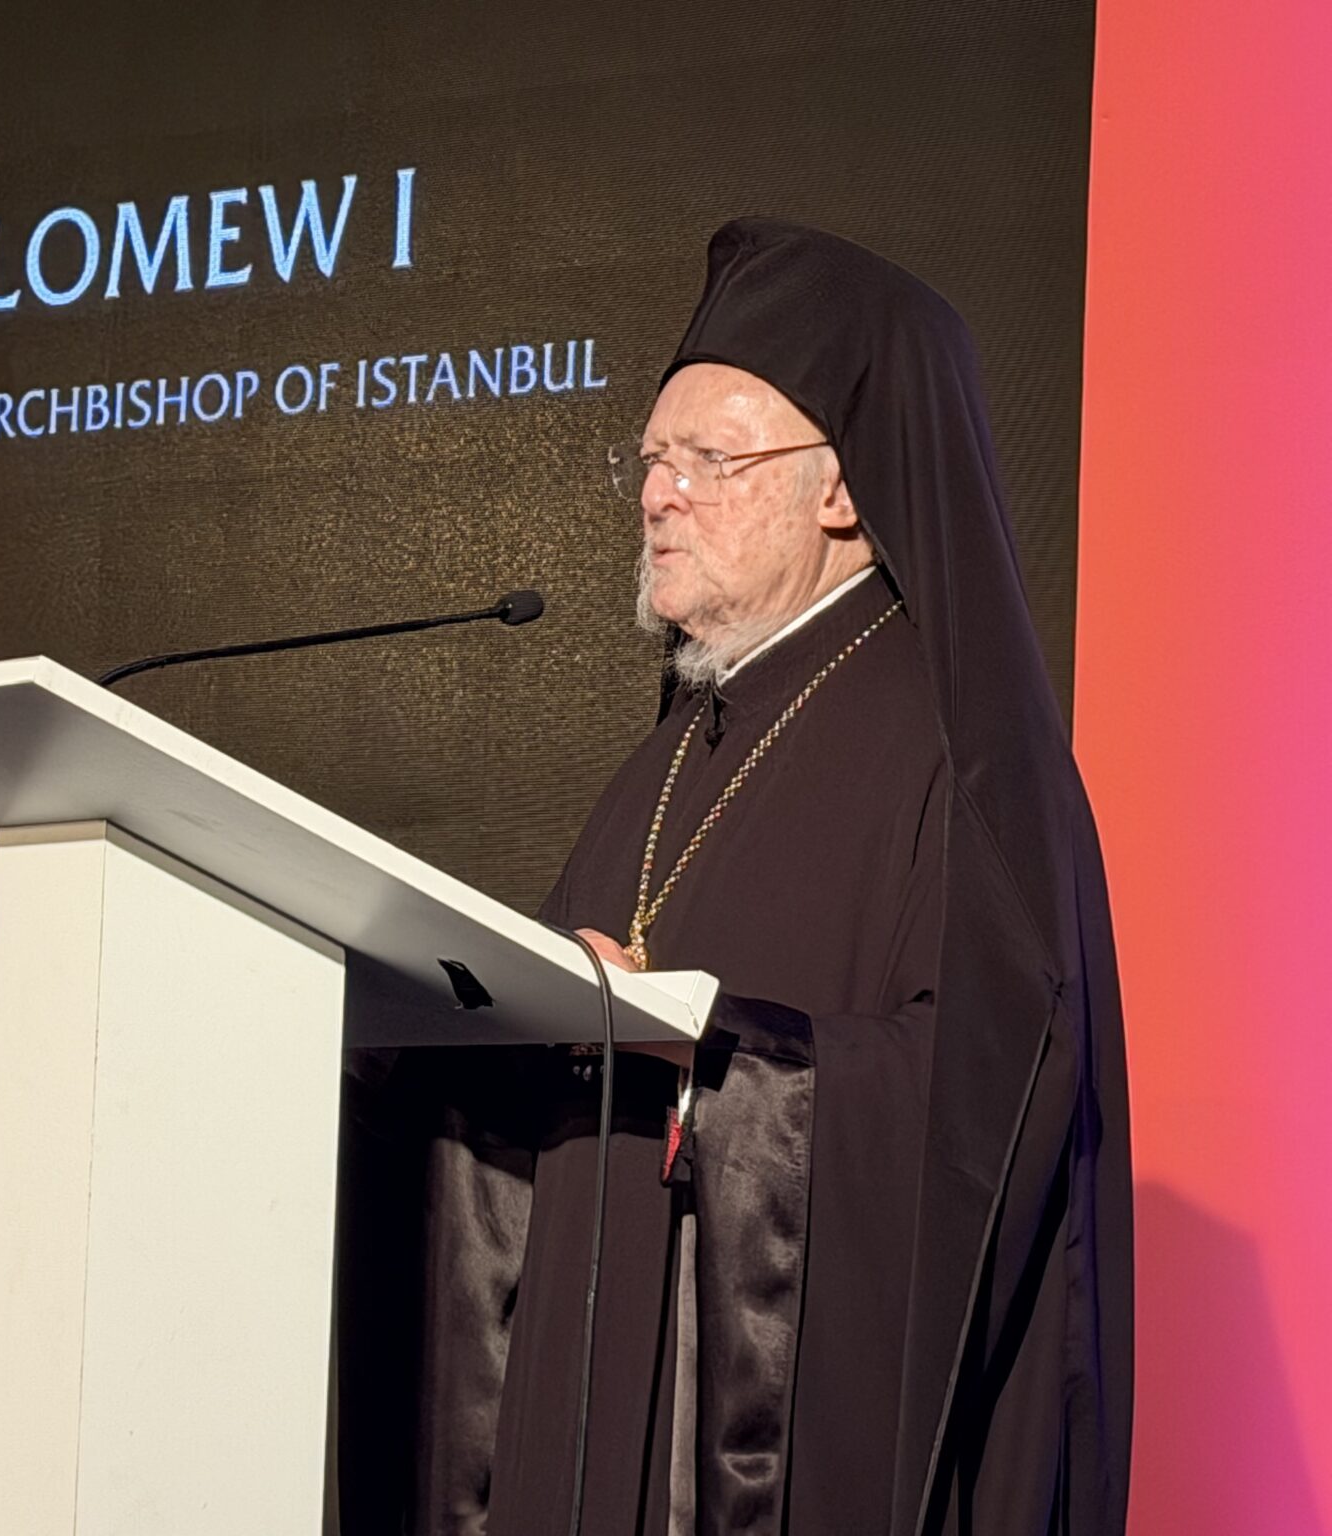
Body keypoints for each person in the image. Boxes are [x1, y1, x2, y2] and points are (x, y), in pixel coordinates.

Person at [476, 220, 1131, 1535]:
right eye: (652, 460)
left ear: (840, 491)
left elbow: (981, 1118)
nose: (658, 495)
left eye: (708, 460)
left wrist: (707, 1052)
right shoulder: (659, 768)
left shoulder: (967, 762)